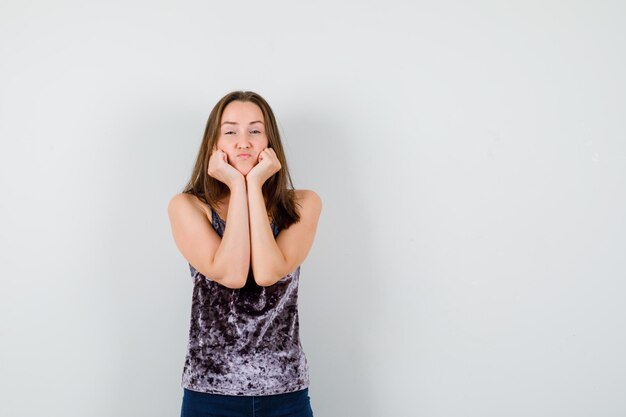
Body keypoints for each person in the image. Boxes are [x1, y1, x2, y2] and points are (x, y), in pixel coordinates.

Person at [167, 90, 322, 417]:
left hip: (286, 393)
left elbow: (267, 272)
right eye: (230, 131)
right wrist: (238, 186)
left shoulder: (303, 204)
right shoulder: (188, 207)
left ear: (270, 142)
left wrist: (252, 186)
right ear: (214, 143)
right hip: (210, 393)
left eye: (255, 130)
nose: (243, 141)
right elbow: (232, 274)